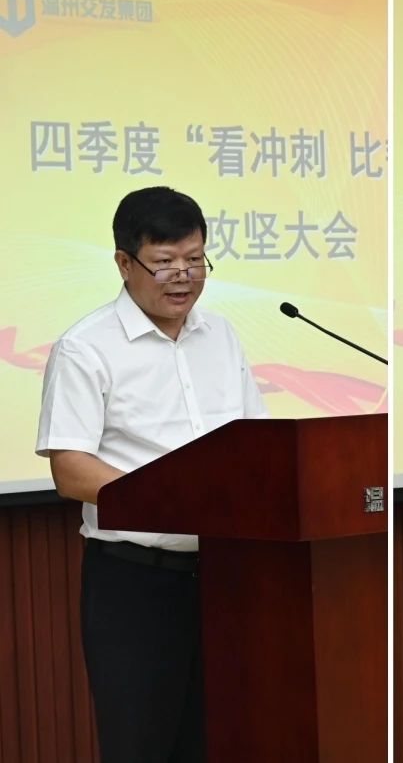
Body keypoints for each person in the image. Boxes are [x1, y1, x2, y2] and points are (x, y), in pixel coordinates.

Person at [35, 186, 267, 763]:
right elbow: (70, 468)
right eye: (164, 262)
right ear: (124, 262)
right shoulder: (85, 348)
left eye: (196, 259)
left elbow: (256, 444)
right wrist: (170, 500)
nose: (183, 276)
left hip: (228, 578)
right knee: (141, 746)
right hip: (134, 585)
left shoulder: (222, 336)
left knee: (227, 739)